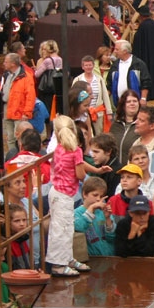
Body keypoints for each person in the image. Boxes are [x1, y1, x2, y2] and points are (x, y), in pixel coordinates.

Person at [46, 116, 112, 277]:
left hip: (60, 193)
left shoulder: (61, 148)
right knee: (61, 229)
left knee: (67, 228)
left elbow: (80, 162)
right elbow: (80, 172)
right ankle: (58, 264)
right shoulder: (74, 150)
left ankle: (67, 258)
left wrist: (96, 170)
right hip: (62, 195)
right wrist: (87, 176)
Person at [0, 50, 37, 151]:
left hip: (19, 111)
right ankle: (12, 154)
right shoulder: (7, 75)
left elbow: (30, 96)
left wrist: (27, 112)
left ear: (13, 63)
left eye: (6, 62)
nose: (4, 64)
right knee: (9, 137)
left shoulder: (26, 77)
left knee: (20, 136)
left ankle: (21, 154)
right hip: (8, 109)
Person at [74, 176, 117, 256]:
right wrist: (91, 209)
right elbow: (79, 228)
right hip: (90, 258)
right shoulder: (76, 213)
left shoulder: (103, 212)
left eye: (101, 196)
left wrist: (108, 219)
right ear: (84, 194)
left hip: (109, 257)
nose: (98, 199)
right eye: (95, 195)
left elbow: (112, 237)